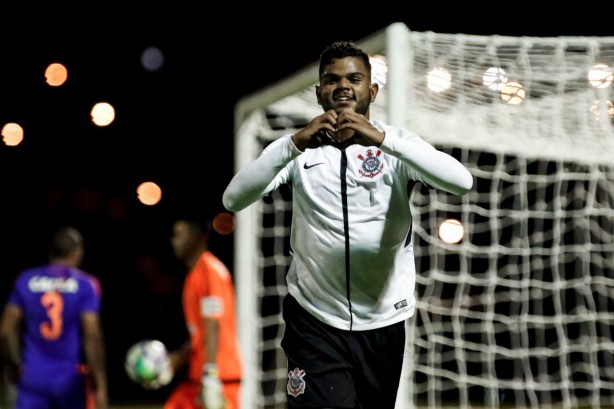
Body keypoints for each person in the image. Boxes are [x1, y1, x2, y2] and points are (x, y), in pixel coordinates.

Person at [222, 40, 474, 408]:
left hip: (383, 320)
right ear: (319, 92)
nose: (343, 85)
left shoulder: (396, 147)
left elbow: (461, 182)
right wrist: (293, 143)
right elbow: (233, 199)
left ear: (371, 91)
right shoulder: (297, 151)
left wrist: (383, 140)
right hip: (314, 319)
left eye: (354, 78)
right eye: (332, 79)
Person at [0, 226, 108, 409]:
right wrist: (99, 384)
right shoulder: (85, 285)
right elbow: (92, 336)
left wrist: (13, 365)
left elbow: (5, 330)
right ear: (78, 252)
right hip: (68, 379)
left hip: (32, 376)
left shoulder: (26, 280)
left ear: (51, 251)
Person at [163, 214, 242, 409]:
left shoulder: (209, 271)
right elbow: (200, 332)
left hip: (220, 379)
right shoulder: (195, 274)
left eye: (179, 235)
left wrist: (211, 375)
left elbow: (213, 323)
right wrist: (176, 361)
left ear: (197, 237)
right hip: (199, 378)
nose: (174, 241)